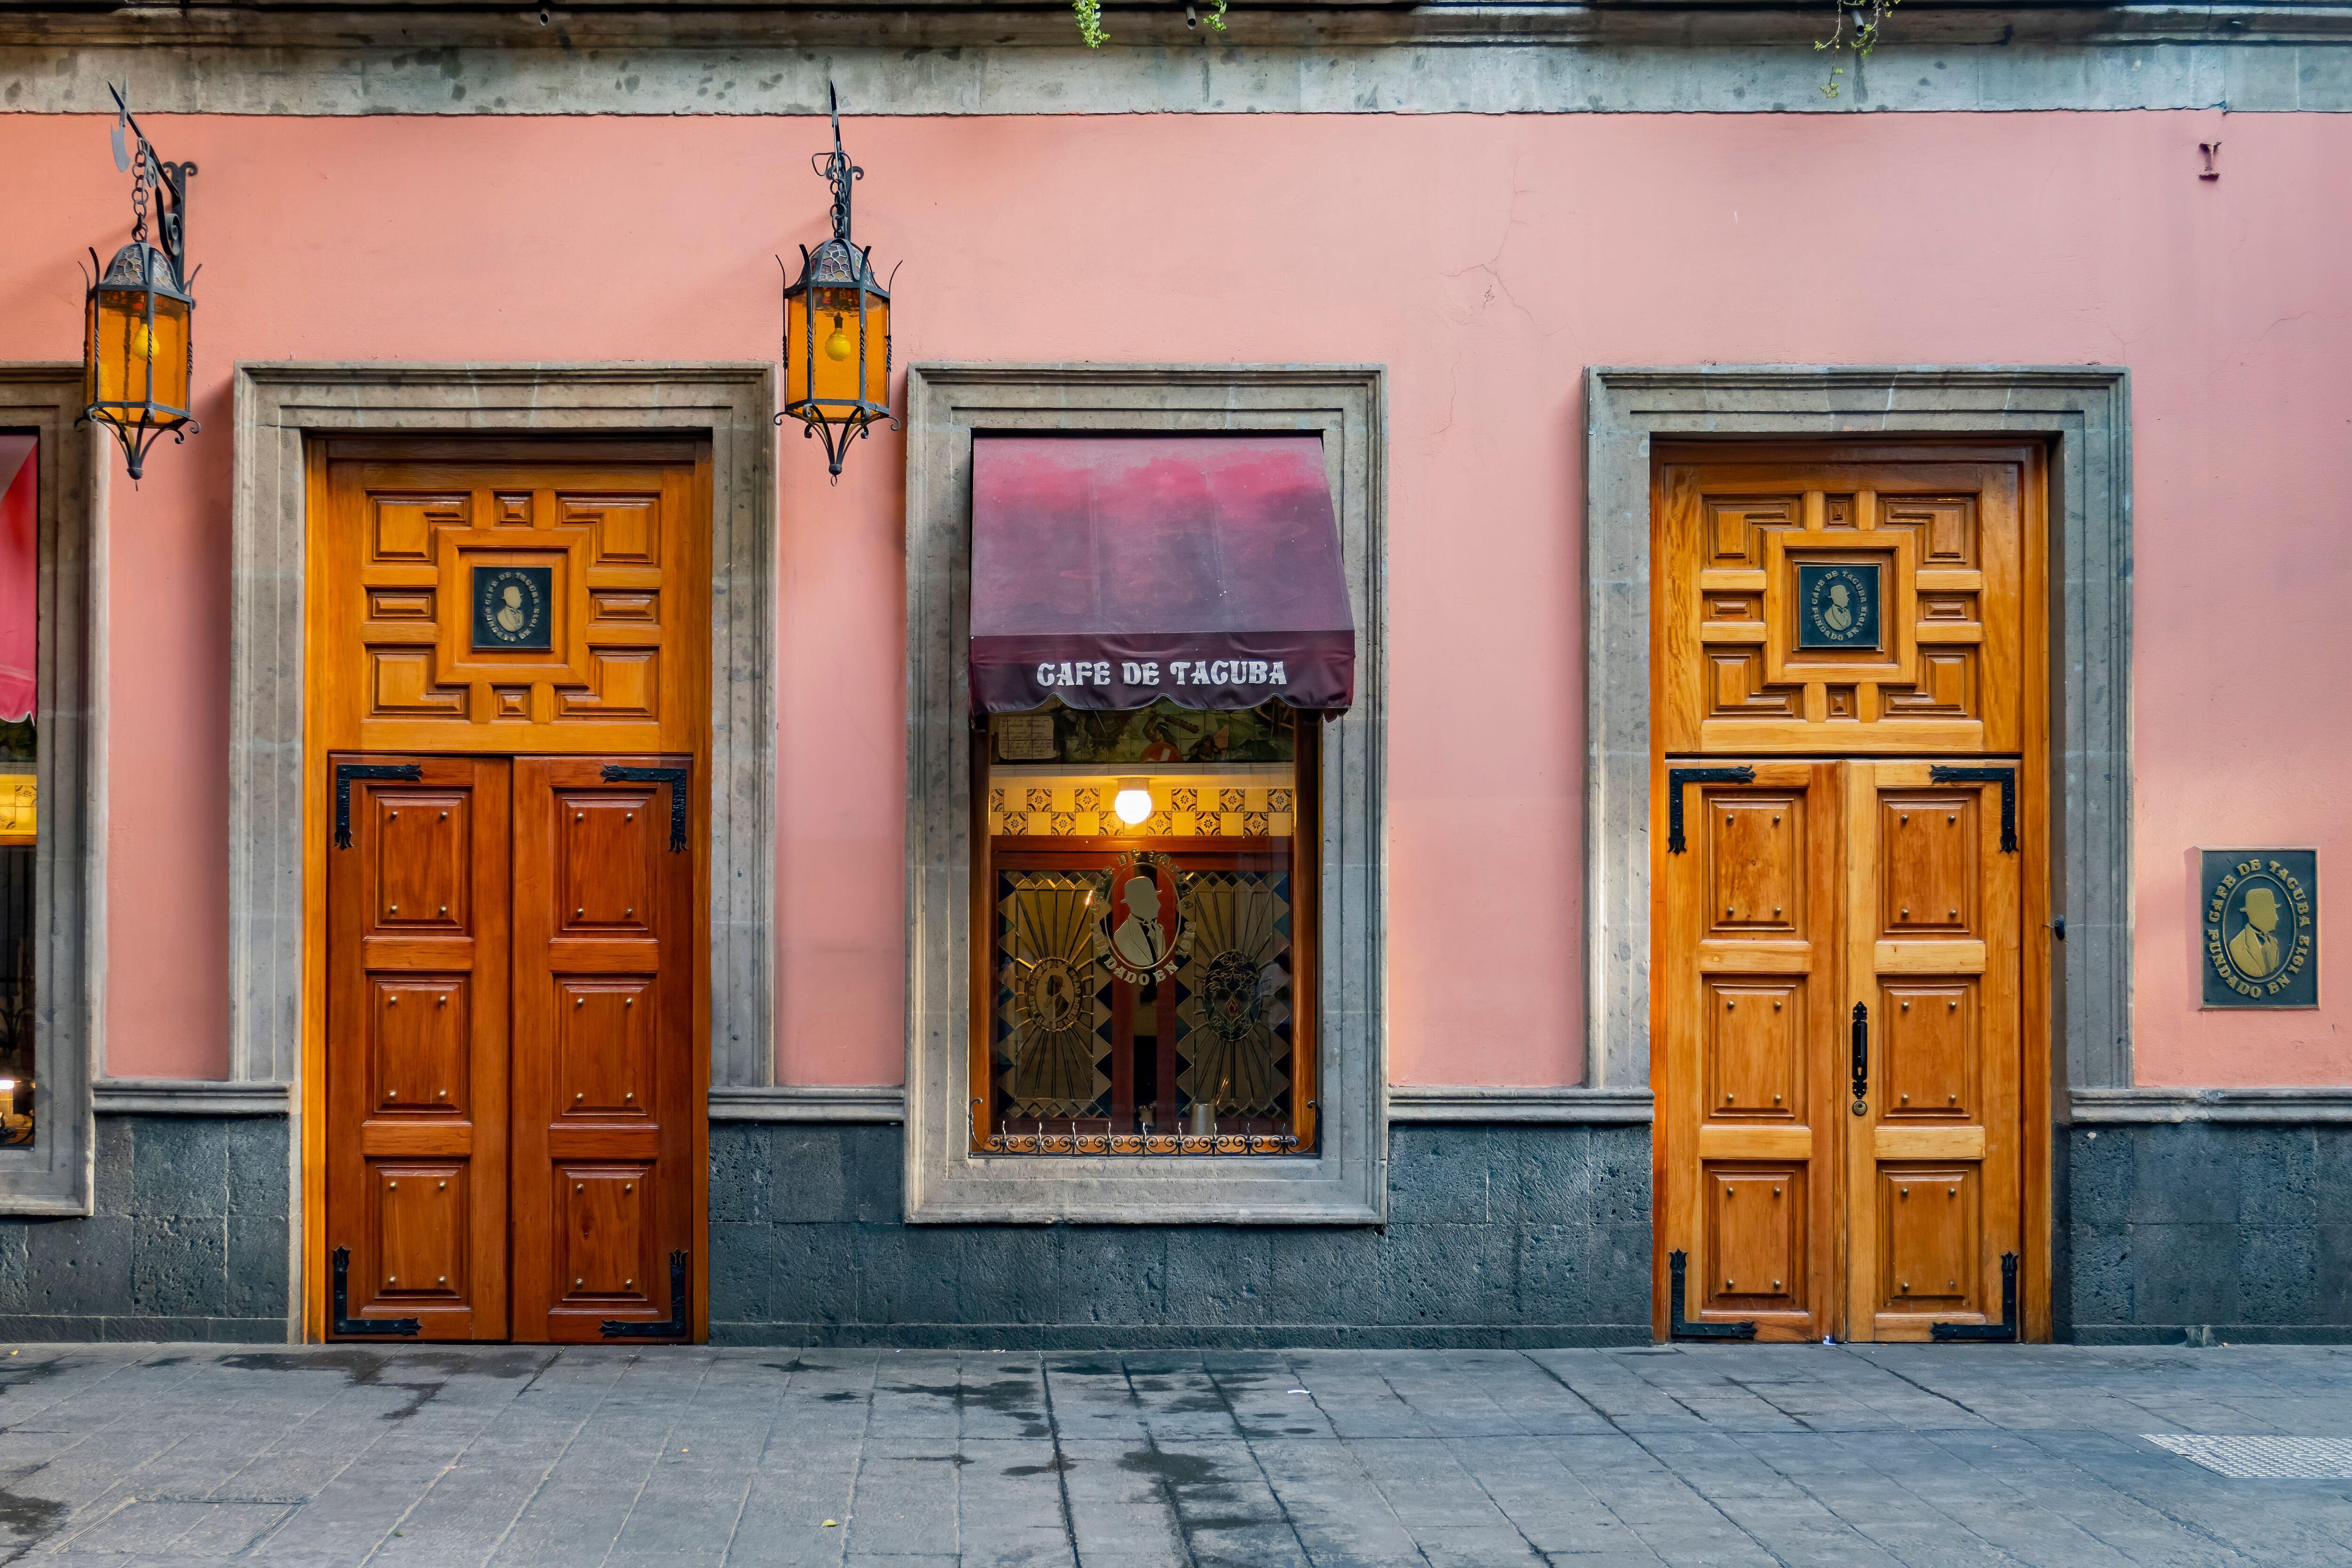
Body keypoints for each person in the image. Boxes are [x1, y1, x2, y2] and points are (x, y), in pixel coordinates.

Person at [1111, 872, 1169, 971]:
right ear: (1139, 903)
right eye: (1153, 900)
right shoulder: (1122, 935)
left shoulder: (1158, 928)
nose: (1159, 905)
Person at [2228, 883, 2284, 979]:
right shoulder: (2238, 944)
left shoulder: (2273, 942)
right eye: (2272, 912)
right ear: (2261, 914)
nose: (2277, 918)